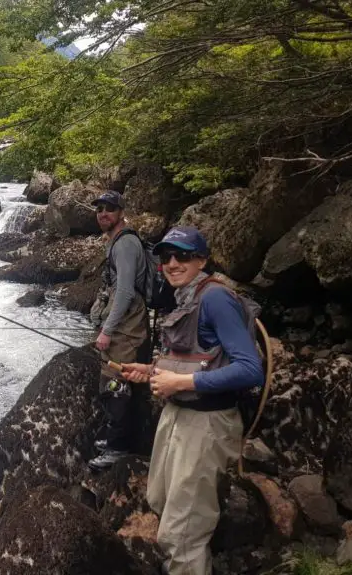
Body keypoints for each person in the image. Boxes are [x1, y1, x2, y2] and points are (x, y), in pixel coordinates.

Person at [118, 226, 264, 575]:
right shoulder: (183, 295)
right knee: (159, 500)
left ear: (202, 260)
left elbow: (250, 370)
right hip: (177, 414)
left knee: (182, 535)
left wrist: (180, 381)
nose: (172, 263)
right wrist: (151, 369)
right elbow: (200, 355)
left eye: (183, 255)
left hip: (208, 424)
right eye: (166, 256)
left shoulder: (215, 298)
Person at [87, 190, 151, 472]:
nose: (103, 213)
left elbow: (124, 292)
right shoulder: (116, 240)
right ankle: (118, 439)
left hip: (128, 329)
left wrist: (107, 331)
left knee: (118, 384)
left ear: (121, 212)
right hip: (125, 325)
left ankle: (118, 448)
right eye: (99, 209)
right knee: (119, 382)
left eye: (109, 208)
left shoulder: (125, 244)